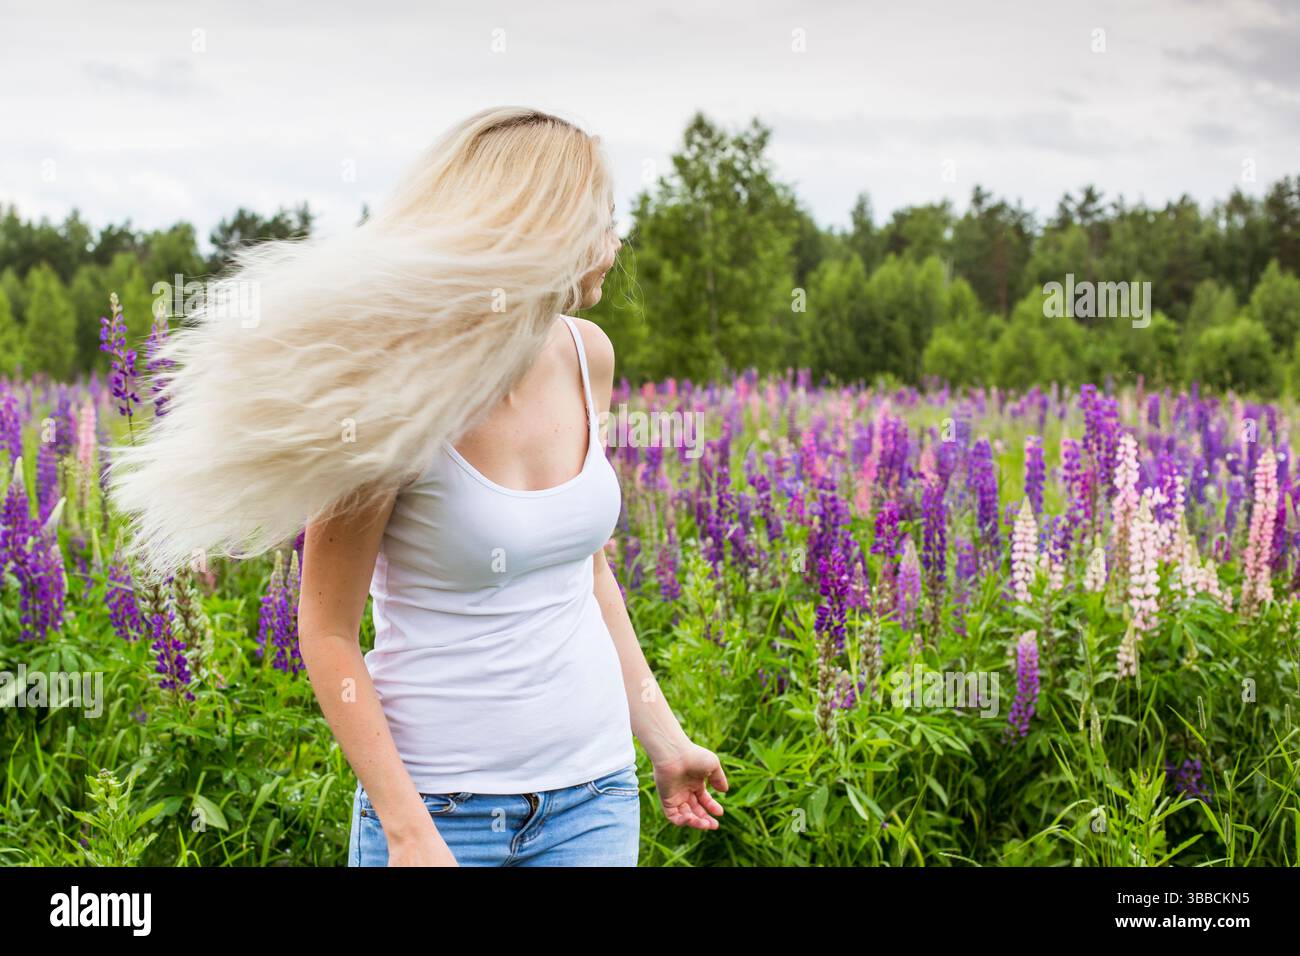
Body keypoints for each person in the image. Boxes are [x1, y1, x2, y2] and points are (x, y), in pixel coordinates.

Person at [109, 106, 726, 867]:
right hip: (442, 812)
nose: (617, 242)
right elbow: (327, 631)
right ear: (546, 229)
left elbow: (588, 573)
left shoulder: (586, 354)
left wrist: (664, 738)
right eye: (604, 219)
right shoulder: (397, 397)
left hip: (594, 799)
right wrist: (407, 831)